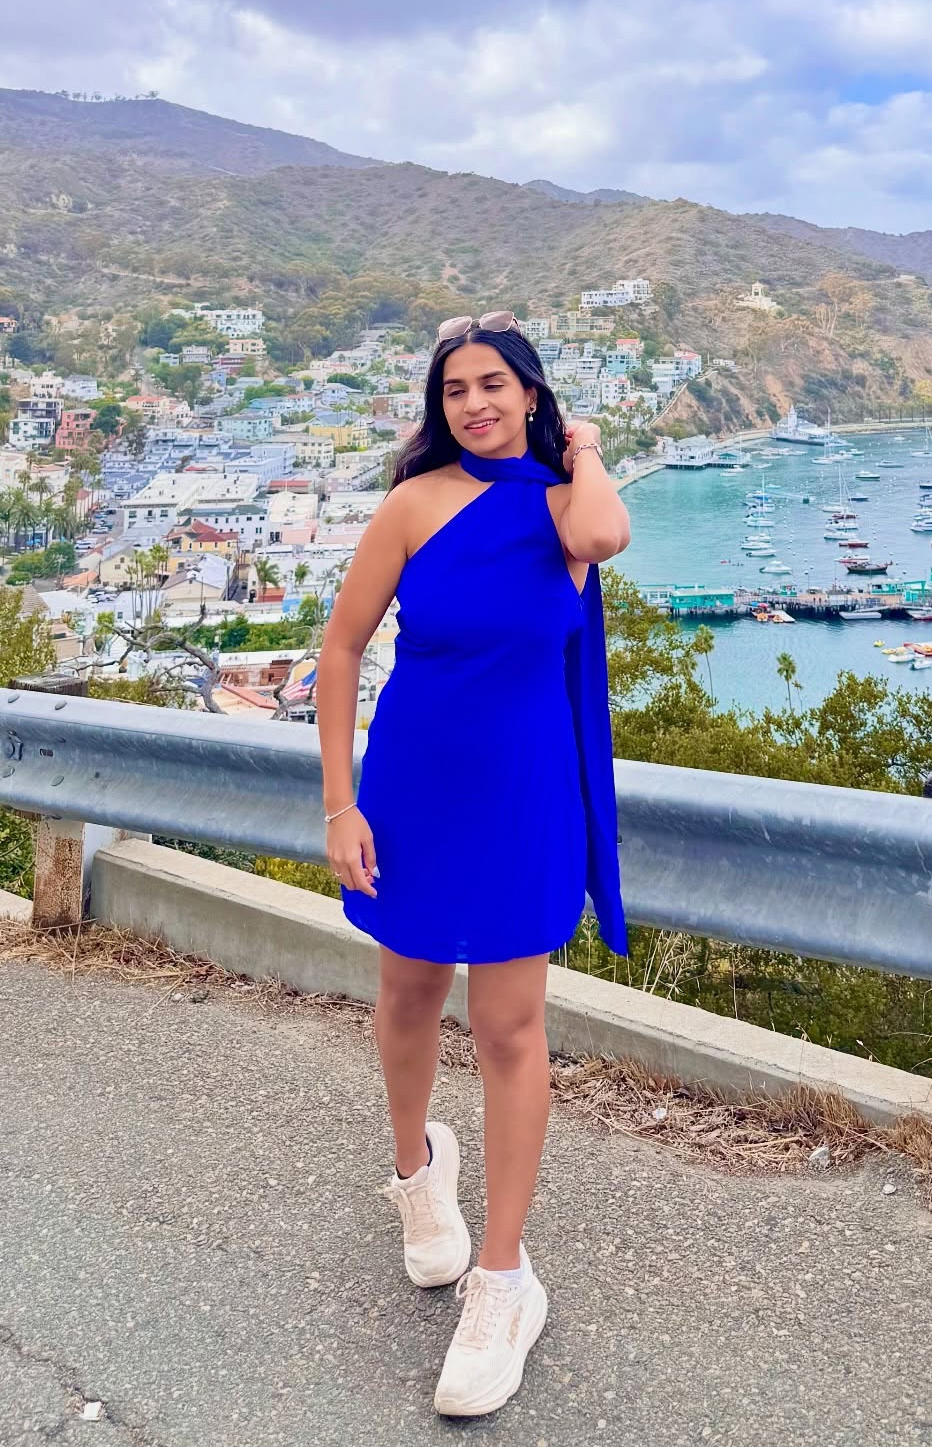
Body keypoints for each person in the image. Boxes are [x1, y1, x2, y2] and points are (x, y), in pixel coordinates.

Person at [316, 311, 631, 1417]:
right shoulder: (412, 504)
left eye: (495, 384)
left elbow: (607, 534)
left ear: (530, 395)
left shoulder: (561, 508)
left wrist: (582, 447)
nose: (475, 404)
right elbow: (342, 647)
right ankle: (417, 1174)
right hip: (411, 789)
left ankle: (504, 1280)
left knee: (507, 1028)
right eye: (455, 390)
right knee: (407, 993)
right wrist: (342, 803)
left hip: (525, 794)